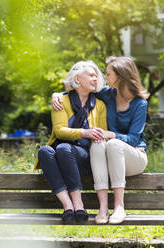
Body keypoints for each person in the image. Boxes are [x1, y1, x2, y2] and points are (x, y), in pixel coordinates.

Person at [51, 56, 149, 224]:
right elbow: (77, 88)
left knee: (113, 143)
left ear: (121, 76)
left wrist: (112, 135)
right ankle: (103, 207)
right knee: (98, 143)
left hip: (134, 157)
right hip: (110, 156)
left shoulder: (140, 103)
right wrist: (57, 95)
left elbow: (134, 138)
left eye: (109, 74)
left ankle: (119, 207)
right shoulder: (107, 94)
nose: (104, 77)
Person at [35, 60, 107, 224]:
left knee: (63, 148)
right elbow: (59, 131)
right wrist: (85, 132)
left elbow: (101, 134)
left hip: (85, 157)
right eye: (90, 75)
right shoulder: (61, 100)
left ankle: (79, 204)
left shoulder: (100, 105)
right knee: (45, 151)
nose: (95, 78)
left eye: (96, 75)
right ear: (77, 79)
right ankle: (68, 206)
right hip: (61, 155)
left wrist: (91, 135)